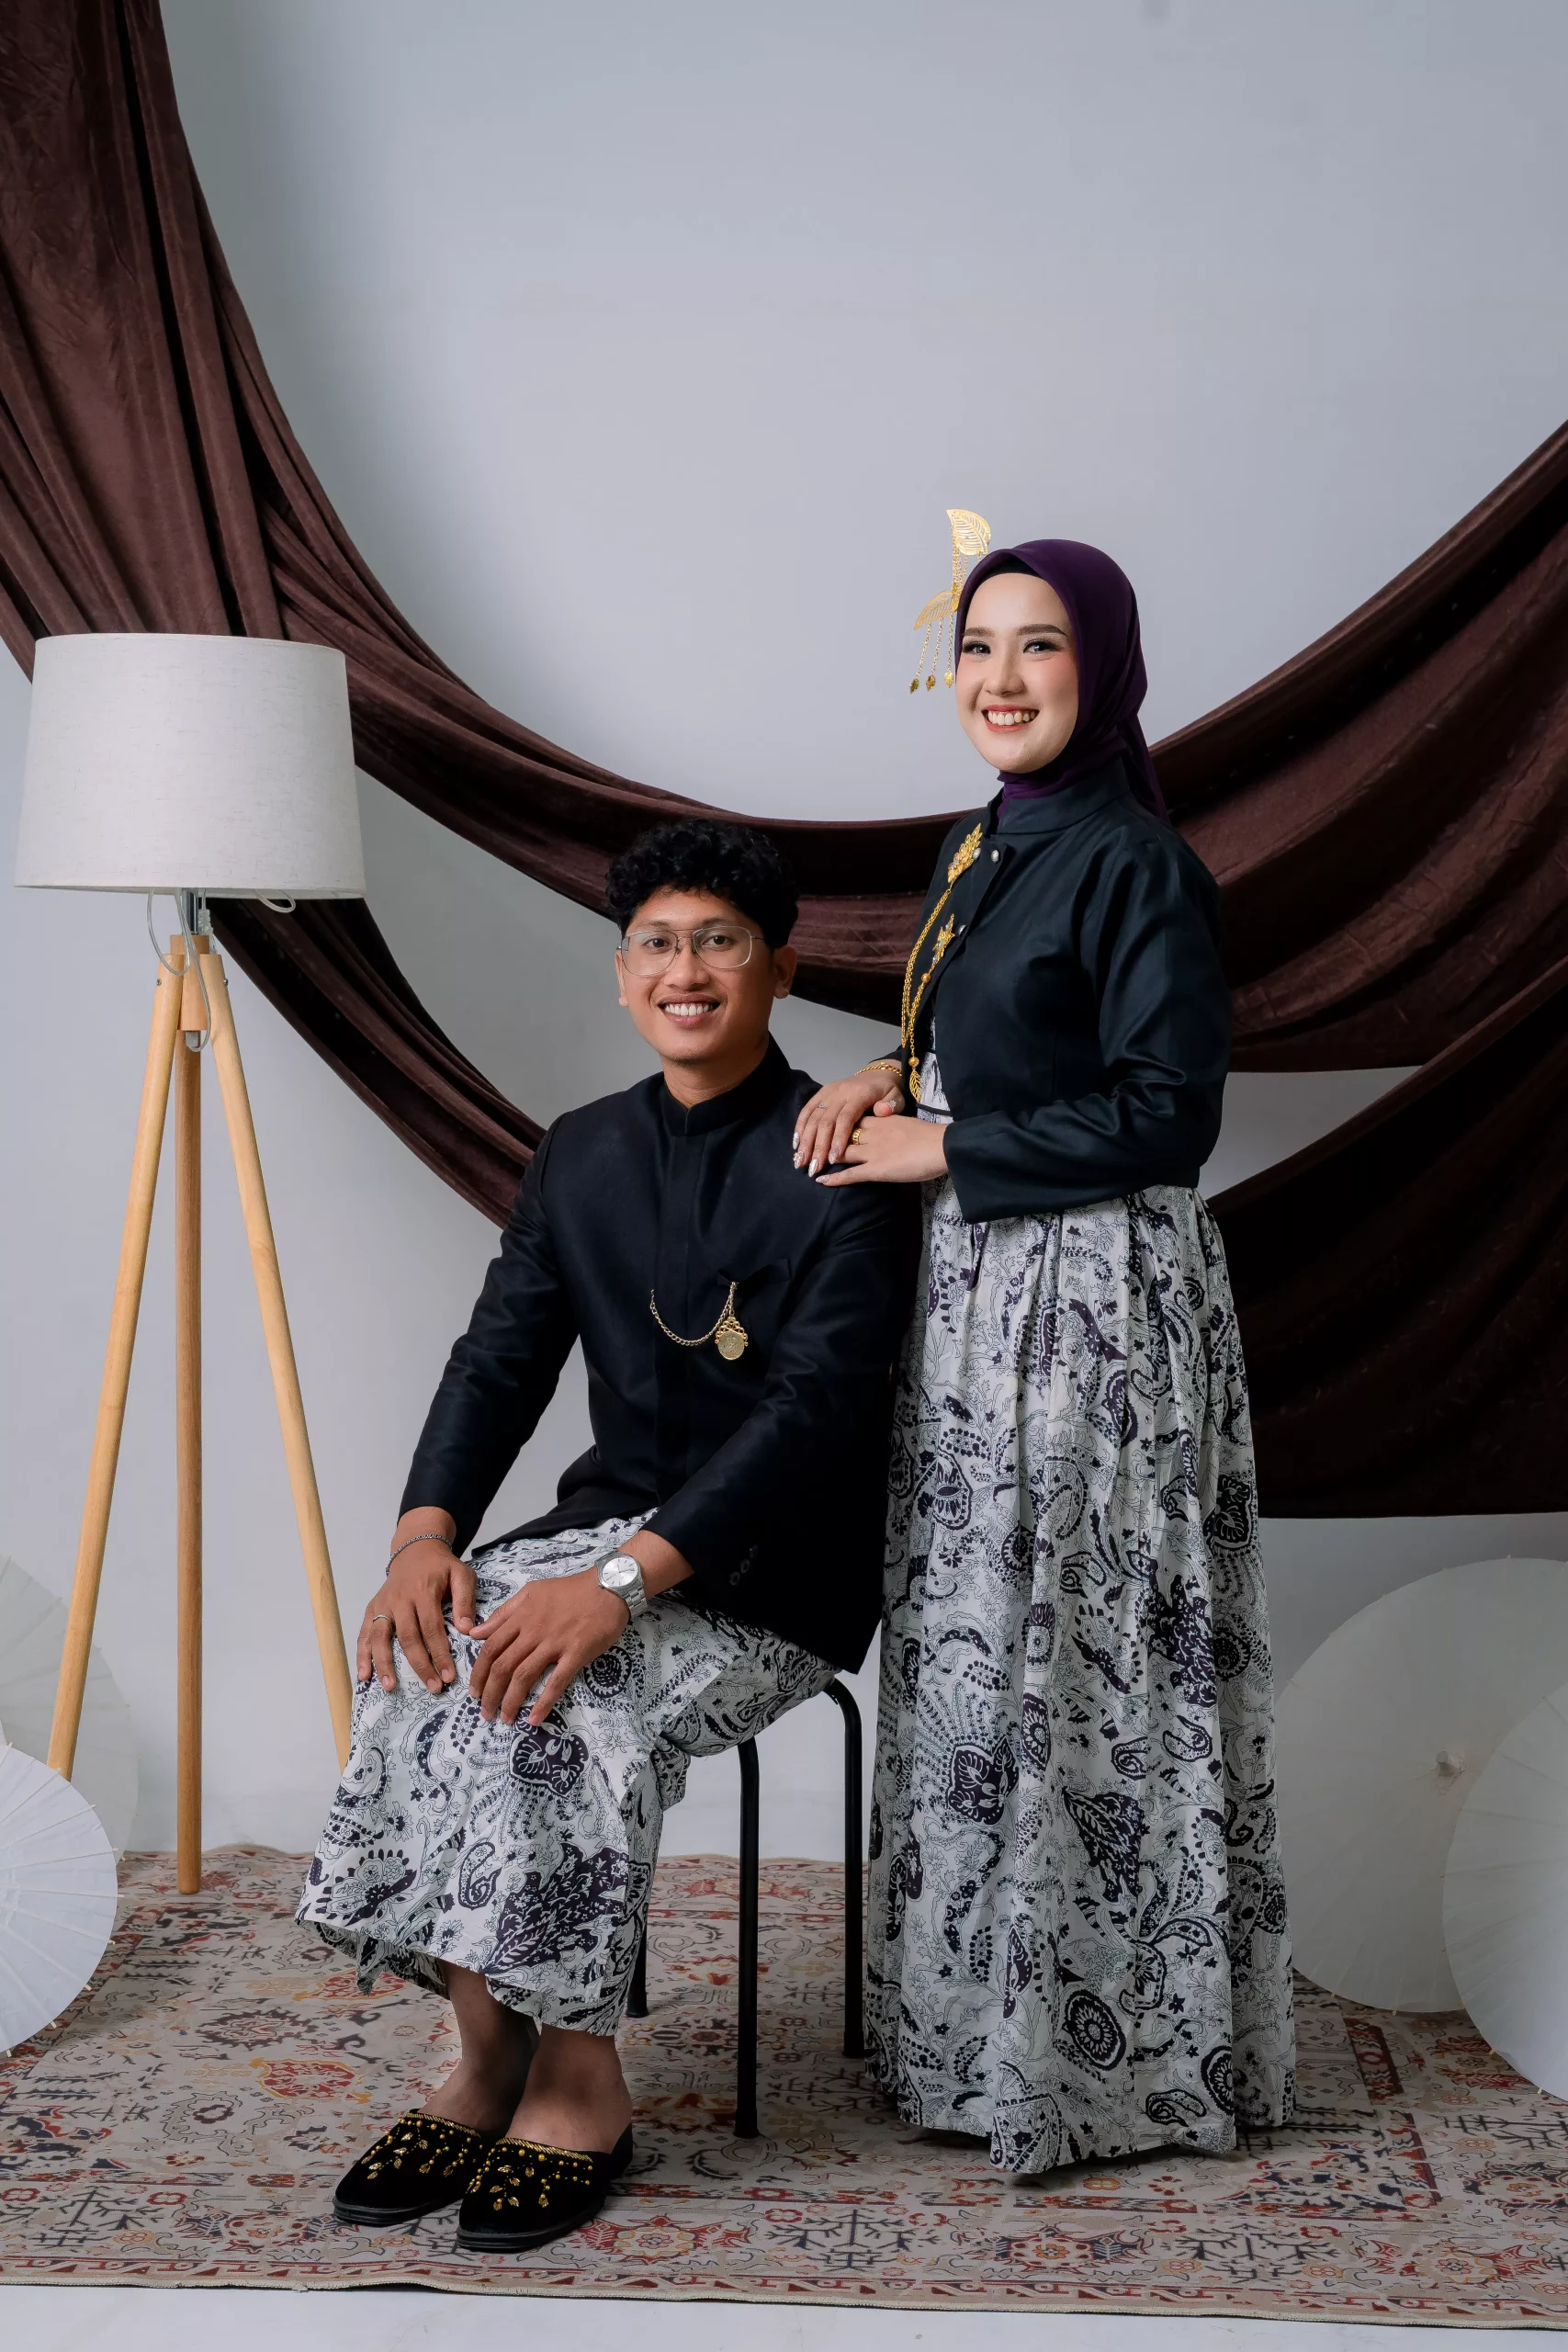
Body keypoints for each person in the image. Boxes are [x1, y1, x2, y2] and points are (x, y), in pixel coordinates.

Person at [300, 819, 915, 2251]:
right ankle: (484, 2057)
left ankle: (579, 2084)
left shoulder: (847, 1157)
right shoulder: (580, 1150)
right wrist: (420, 1538)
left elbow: (811, 1415)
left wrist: (618, 1587)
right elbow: (497, 1360)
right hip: (602, 1531)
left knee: (560, 1696)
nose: (683, 971)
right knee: (429, 1651)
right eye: (656, 943)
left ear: (777, 970)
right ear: (622, 971)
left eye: (719, 943)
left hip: (775, 1572)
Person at [792, 536, 1295, 2175]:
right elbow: (1002, 1035)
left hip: (1092, 1305)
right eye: (978, 647)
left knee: (1078, 1656)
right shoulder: (980, 841)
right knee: (980, 1651)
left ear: (1105, 669)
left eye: (1040, 646)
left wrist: (944, 1145)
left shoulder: (1138, 862)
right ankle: (973, 2040)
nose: (1000, 680)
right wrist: (886, 1076)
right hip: (978, 1296)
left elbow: (1169, 1114)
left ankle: (1112, 2068)